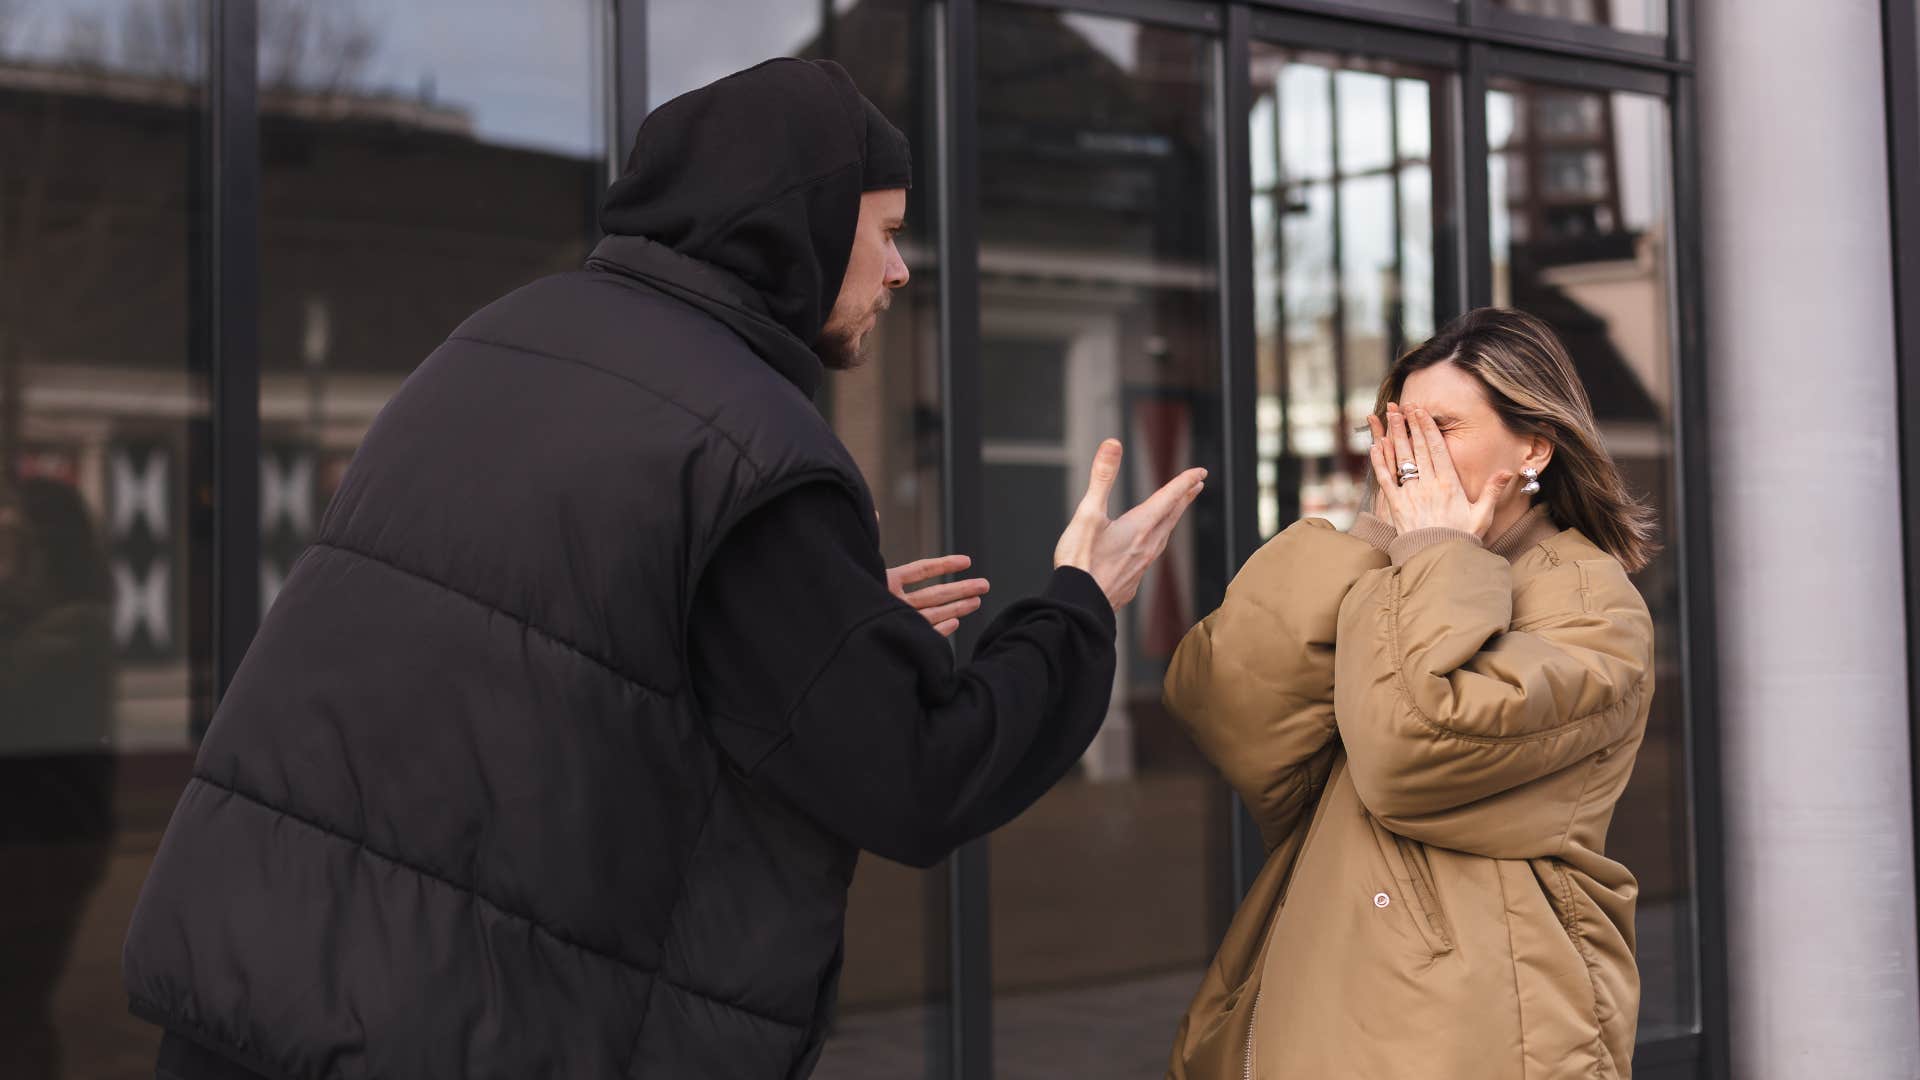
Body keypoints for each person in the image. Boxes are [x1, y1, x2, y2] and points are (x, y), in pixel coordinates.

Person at [124, 58, 1204, 1080]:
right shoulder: (748, 446)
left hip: (263, 988)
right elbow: (918, 775)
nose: (899, 270)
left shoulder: (505, 340)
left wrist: (810, 634)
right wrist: (1080, 607)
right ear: (800, 230)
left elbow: (550, 638)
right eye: (881, 233)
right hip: (445, 1031)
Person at [1164, 307, 1656, 1079]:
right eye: (1397, 430)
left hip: (1474, 1024)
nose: (1410, 457)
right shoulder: (1394, 570)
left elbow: (1411, 752)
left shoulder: (1590, 604)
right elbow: (1229, 711)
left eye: (1444, 428)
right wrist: (1375, 536)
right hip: (1324, 986)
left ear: (1533, 445)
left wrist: (1434, 551)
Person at [0, 477, 118, 1079]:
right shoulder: (41, 617)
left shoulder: (78, 626)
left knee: (14, 1009)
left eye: (13, 534)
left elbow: (14, 685)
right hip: (38, 833)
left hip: (46, 841)